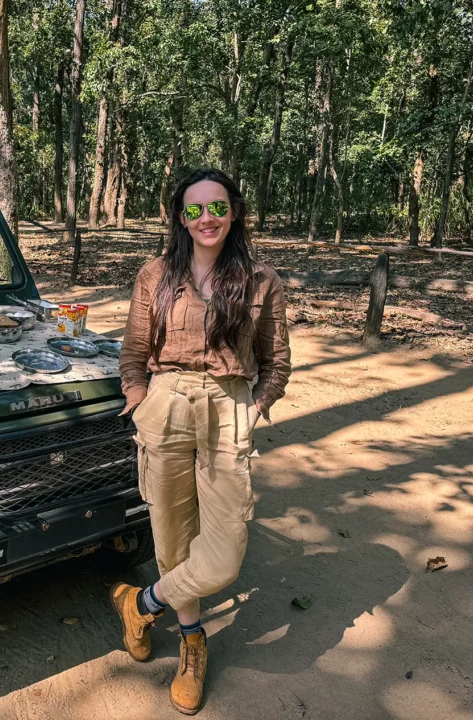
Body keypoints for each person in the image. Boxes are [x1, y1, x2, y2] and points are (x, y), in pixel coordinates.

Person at [111, 168, 291, 715]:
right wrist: (139, 396)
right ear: (180, 217)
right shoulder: (156, 274)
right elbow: (135, 347)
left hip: (229, 406)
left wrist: (252, 410)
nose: (206, 218)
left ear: (234, 211)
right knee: (171, 538)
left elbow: (277, 362)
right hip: (165, 403)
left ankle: (140, 604)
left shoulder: (262, 280)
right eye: (194, 209)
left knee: (224, 555)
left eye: (217, 207)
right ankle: (192, 642)